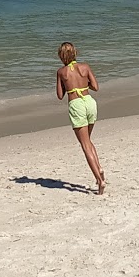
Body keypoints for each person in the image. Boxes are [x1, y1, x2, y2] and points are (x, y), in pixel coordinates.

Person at [55, 42, 106, 195]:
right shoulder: (85, 67)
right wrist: (84, 84)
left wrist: (68, 85)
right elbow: (96, 87)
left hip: (76, 104)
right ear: (75, 53)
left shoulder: (61, 72)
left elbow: (59, 95)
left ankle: (99, 179)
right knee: (88, 140)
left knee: (84, 144)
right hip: (89, 102)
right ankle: (100, 168)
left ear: (61, 56)